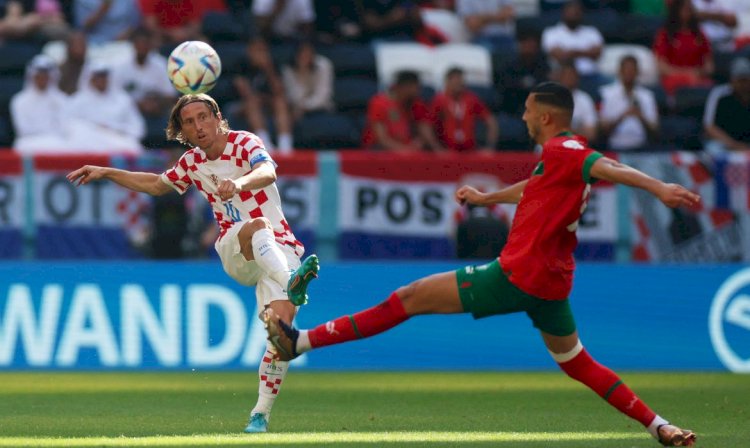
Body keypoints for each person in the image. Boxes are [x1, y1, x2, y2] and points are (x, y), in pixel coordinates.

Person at [264, 82, 699, 448]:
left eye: (528, 111)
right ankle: (659, 425)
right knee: (577, 361)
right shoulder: (561, 155)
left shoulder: (567, 149)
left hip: (518, 274)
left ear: (546, 117)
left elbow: (606, 166)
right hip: (551, 283)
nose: (523, 118)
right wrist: (488, 198)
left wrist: (659, 188)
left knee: (409, 298)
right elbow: (539, 184)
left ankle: (299, 342)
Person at [66, 93, 320, 434]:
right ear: (182, 130)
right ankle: (292, 281)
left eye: (203, 117)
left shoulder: (245, 143)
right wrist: (107, 172)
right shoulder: (191, 162)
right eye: (189, 122)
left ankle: (259, 415)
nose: (199, 126)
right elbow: (157, 185)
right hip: (236, 247)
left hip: (281, 247)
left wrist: (240, 183)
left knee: (281, 336)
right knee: (257, 224)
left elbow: (268, 171)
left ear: (217, 117)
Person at [64, 61, 146, 155]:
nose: (101, 80)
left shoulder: (122, 100)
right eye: (98, 77)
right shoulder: (77, 100)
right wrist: (95, 128)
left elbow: (137, 127)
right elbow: (69, 126)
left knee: (132, 148)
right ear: (91, 78)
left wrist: (114, 128)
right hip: (88, 142)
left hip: (115, 140)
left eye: (104, 76)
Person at [233, 35, 294, 153]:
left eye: (263, 50)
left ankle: (285, 144)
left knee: (280, 102)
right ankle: (264, 143)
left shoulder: (273, 65)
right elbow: (244, 92)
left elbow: (279, 90)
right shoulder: (241, 65)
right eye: (257, 50)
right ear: (249, 51)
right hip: (242, 105)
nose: (260, 54)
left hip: (267, 102)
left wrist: (268, 69)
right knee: (252, 102)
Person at [361, 70, 445, 152]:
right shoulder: (379, 103)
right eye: (415, 89)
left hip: (407, 149)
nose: (417, 93)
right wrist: (404, 150)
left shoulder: (416, 103)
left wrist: (432, 147)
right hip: (382, 150)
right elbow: (382, 138)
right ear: (403, 87)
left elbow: (425, 129)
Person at [112, 26, 177, 119]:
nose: (142, 47)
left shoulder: (160, 63)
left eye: (145, 44)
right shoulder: (121, 66)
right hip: (129, 113)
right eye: (139, 44)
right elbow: (114, 95)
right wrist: (138, 104)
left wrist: (156, 102)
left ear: (150, 45)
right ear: (133, 45)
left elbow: (170, 95)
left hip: (157, 112)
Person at [653, 0, 713, 96]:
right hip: (674, 78)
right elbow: (662, 67)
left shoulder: (699, 34)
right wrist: (686, 74)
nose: (687, 11)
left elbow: (709, 66)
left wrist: (699, 72)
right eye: (684, 8)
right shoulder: (665, 34)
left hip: (697, 78)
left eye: (690, 9)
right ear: (676, 10)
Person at [10, 54, 68, 155]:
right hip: (29, 143)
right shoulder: (19, 100)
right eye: (39, 76)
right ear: (32, 77)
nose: (42, 79)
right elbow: (23, 130)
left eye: (45, 76)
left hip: (57, 143)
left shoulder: (62, 99)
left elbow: (64, 128)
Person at [431, 67, 498, 152]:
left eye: (461, 81)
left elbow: (491, 121)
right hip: (448, 151)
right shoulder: (439, 100)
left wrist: (490, 147)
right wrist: (436, 148)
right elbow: (427, 125)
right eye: (456, 81)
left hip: (470, 151)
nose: (459, 84)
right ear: (447, 82)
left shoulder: (471, 99)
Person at [600, 55, 659, 151]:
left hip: (641, 148)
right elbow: (602, 129)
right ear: (619, 71)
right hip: (615, 148)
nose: (629, 73)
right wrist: (623, 116)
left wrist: (640, 116)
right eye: (626, 69)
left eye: (632, 70)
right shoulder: (607, 94)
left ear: (637, 72)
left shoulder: (647, 96)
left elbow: (655, 129)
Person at [541, 1, 604, 86]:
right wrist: (586, 52)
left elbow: (597, 53)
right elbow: (560, 56)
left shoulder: (591, 31)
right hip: (562, 77)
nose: (573, 15)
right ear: (563, 13)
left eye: (576, 12)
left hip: (591, 75)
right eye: (570, 12)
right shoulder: (551, 32)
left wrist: (571, 52)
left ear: (582, 13)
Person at [703, 57, 750, 155]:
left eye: (746, 80)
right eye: (739, 80)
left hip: (747, 143)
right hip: (726, 143)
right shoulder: (719, 94)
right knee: (713, 149)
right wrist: (734, 145)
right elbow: (709, 127)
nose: (743, 84)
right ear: (732, 80)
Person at [281, 40, 334, 122]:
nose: (305, 57)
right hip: (296, 108)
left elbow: (323, 96)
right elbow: (294, 96)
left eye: (308, 53)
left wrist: (306, 106)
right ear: (296, 55)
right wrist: (302, 71)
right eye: (302, 54)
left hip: (321, 108)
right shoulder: (288, 69)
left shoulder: (324, 65)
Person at [556, 62, 598, 143]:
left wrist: (566, 130)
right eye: (566, 75)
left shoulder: (585, 99)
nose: (569, 78)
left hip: (576, 147)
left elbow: (591, 134)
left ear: (577, 78)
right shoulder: (548, 99)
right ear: (560, 78)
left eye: (571, 75)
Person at [74, 0, 142, 44]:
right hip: (94, 45)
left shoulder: (129, 1)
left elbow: (135, 23)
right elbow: (81, 27)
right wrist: (102, 10)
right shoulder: (83, 1)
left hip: (122, 45)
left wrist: (127, 34)